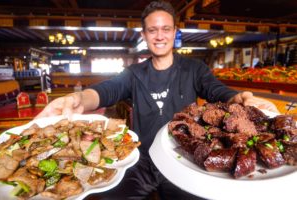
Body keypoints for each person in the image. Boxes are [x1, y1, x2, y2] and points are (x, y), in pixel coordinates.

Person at [36, 1, 279, 199]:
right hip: (141, 161)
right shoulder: (134, 74)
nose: (160, 36)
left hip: (183, 160)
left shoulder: (194, 69)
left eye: (166, 29)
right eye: (153, 30)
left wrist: (241, 98)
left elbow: (217, 91)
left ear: (175, 31)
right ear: (144, 35)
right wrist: (78, 98)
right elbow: (105, 90)